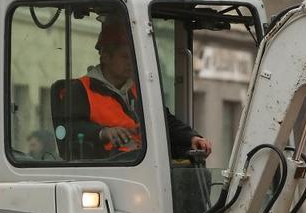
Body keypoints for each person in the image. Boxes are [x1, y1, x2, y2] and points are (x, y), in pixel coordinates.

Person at [56, 17, 212, 159]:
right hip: (108, 167)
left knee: (195, 166)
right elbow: (68, 129)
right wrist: (103, 133)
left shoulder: (139, 90)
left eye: (133, 57)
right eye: (124, 57)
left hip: (143, 162)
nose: (131, 62)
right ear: (105, 56)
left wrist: (191, 137)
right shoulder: (80, 89)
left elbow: (163, 120)